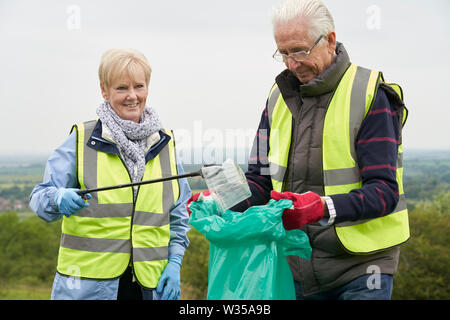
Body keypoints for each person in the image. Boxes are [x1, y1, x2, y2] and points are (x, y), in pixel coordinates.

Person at [190, 0, 409, 300]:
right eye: (284, 53)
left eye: (300, 51)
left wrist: (321, 207)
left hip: (361, 269)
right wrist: (218, 199)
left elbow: (383, 191)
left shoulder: (370, 94)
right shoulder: (276, 98)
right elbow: (260, 181)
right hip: (295, 268)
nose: (292, 64)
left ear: (330, 40)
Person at [30, 48, 191, 300]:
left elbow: (178, 216)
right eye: (121, 88)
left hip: (150, 287)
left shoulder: (165, 144)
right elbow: (39, 199)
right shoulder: (82, 140)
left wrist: (175, 263)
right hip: (88, 289)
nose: (132, 96)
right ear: (104, 90)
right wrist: (58, 198)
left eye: (139, 86)